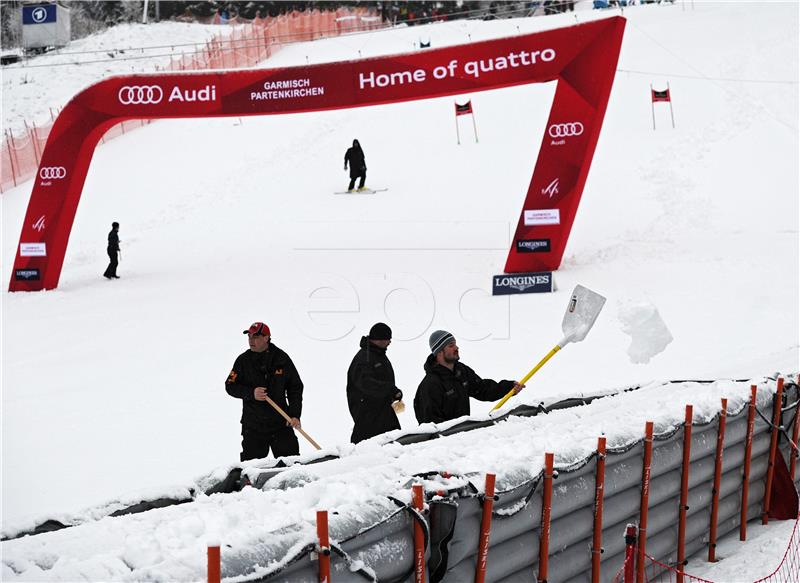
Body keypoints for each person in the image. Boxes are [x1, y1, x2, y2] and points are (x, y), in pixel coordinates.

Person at [225, 322, 304, 461]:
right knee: (250, 470)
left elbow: (295, 387)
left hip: (281, 423)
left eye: (255, 337)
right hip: (253, 426)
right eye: (249, 336)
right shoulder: (242, 361)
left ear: (266, 338)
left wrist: (295, 415)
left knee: (292, 466)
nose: (251, 340)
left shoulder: (281, 359)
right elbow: (230, 385)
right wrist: (251, 393)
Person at [414, 330, 525, 424]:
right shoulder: (430, 384)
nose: (456, 348)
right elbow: (429, 423)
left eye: (455, 344)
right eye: (451, 345)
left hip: (464, 436)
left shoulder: (461, 371)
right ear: (439, 352)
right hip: (445, 443)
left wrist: (509, 388)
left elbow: (482, 389)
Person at [347, 322, 404, 444]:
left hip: (384, 414)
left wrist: (393, 394)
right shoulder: (363, 358)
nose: (390, 342)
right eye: (388, 339)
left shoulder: (379, 355)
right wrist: (389, 389)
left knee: (396, 446)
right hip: (368, 419)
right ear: (380, 339)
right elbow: (366, 384)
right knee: (369, 452)